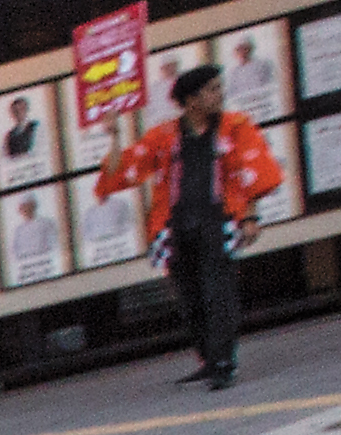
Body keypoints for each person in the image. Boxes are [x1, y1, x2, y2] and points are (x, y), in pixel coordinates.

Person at [98, 59, 283, 390]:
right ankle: (208, 359)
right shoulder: (165, 136)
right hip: (177, 224)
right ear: (192, 100)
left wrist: (250, 216)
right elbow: (120, 171)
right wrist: (113, 136)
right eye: (212, 90)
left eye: (219, 88)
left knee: (218, 293)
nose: (220, 95)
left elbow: (250, 174)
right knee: (190, 298)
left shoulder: (235, 127)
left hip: (217, 219)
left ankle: (224, 361)